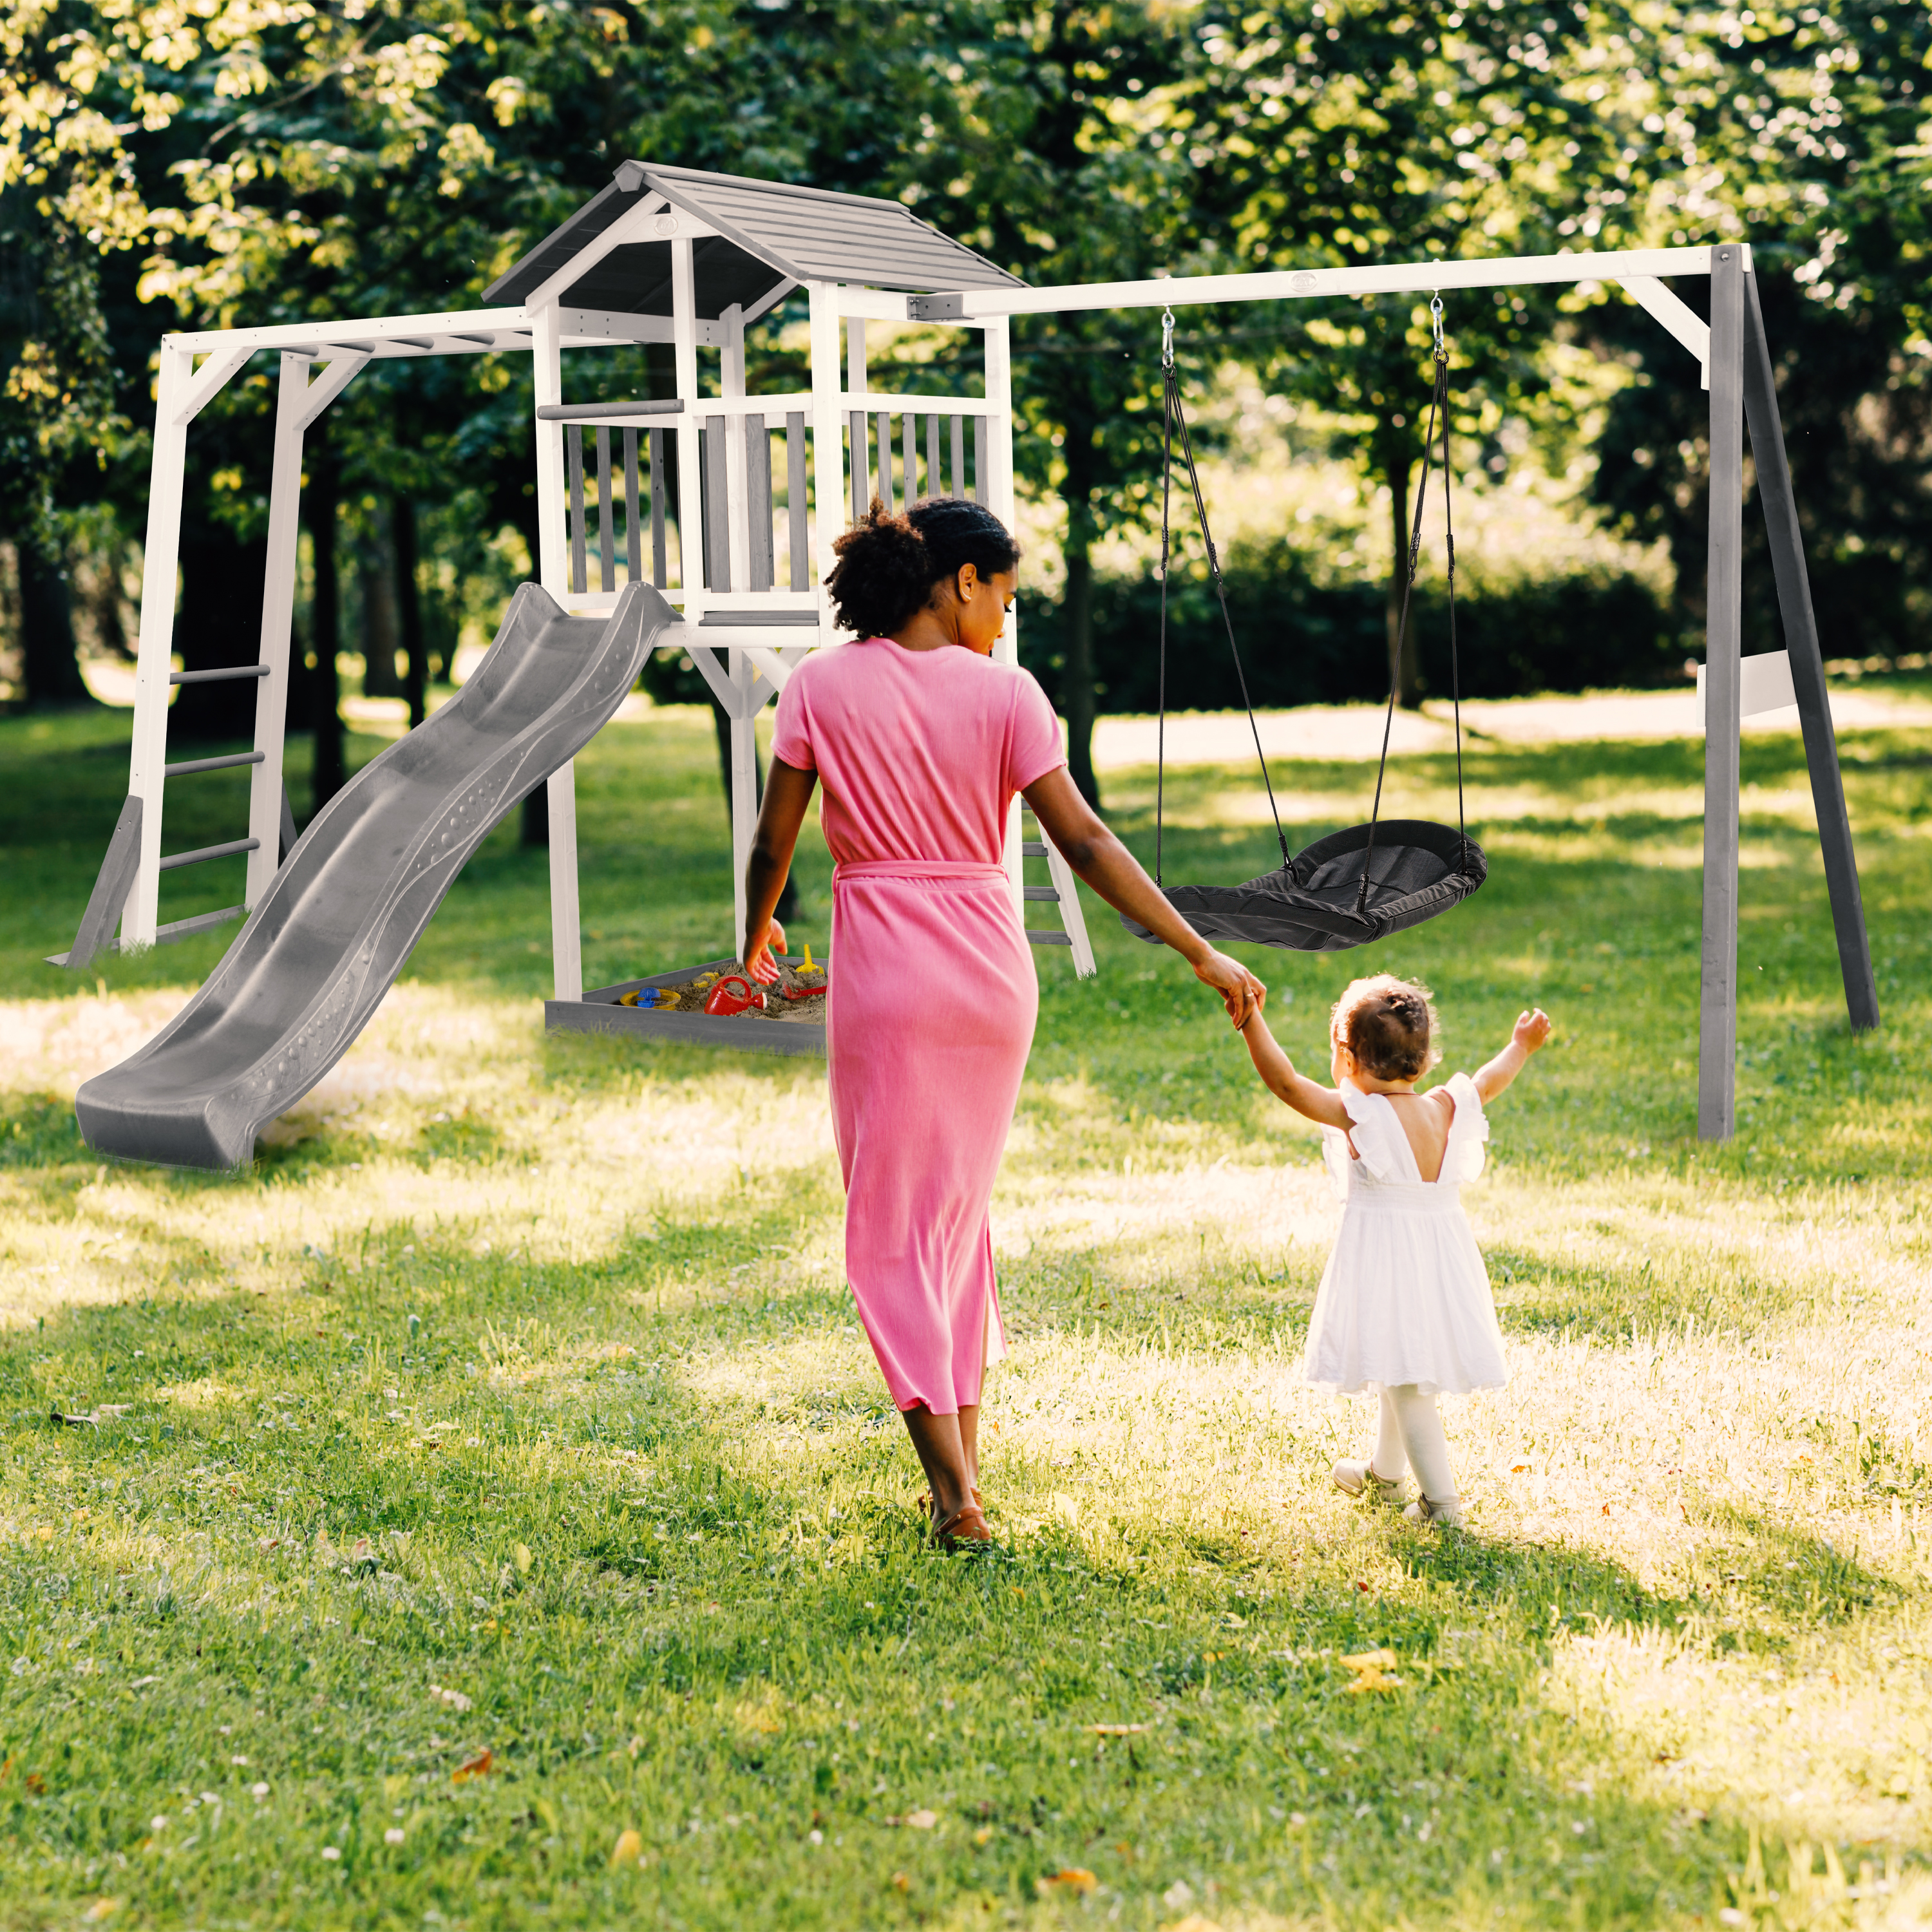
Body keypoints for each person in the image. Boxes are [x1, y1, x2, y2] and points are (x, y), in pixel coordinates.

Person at [742, 497, 1265, 1547]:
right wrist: (1197, 947)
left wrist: (754, 936)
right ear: (961, 580)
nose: (1004, 620)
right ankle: (963, 1477)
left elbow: (773, 843)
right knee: (953, 1223)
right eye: (1005, 598)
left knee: (891, 1234)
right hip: (990, 977)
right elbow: (1087, 842)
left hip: (888, 977)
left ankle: (955, 1498)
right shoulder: (1010, 695)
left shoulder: (817, 686)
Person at [1235, 974, 1551, 1526]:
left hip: (1389, 1265)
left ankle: (1442, 1506)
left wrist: (1250, 1019)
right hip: (1440, 1263)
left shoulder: (1361, 1115)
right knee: (1396, 1362)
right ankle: (1384, 1475)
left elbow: (1285, 1083)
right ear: (1423, 1061)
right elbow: (1489, 1080)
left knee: (1407, 1385)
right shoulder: (1445, 1106)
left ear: (1347, 1057)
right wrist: (1520, 1046)